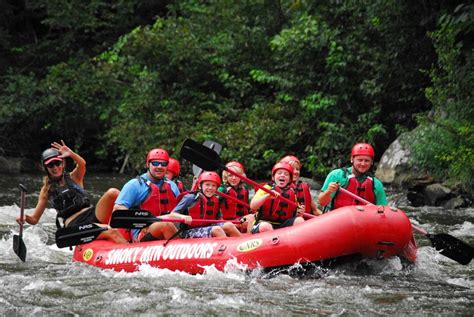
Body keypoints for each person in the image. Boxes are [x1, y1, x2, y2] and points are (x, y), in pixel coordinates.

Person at [16, 140, 127, 244]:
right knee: (113, 232)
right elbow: (35, 219)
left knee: (112, 192)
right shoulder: (46, 190)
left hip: (92, 214)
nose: (55, 167)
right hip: (75, 224)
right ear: (46, 168)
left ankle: (135, 218)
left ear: (63, 163)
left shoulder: (74, 177)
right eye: (51, 165)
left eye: (57, 163)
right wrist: (25, 217)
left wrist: (71, 153)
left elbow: (82, 164)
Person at [113, 148, 180, 242]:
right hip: (142, 232)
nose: (160, 166)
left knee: (170, 225)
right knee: (166, 225)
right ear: (148, 164)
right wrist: (149, 219)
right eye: (155, 163)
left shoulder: (172, 186)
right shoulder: (134, 185)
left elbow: (181, 210)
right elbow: (117, 211)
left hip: (170, 230)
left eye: (163, 164)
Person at [169, 171, 241, 238]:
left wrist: (232, 224)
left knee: (229, 225)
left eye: (213, 186)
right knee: (216, 229)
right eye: (207, 185)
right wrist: (183, 217)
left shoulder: (216, 199)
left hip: (208, 227)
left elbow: (219, 219)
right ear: (200, 186)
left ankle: (241, 246)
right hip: (188, 232)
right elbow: (172, 214)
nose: (210, 188)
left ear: (216, 188)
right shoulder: (191, 197)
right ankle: (226, 249)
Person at [318, 143, 388, 211]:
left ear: (371, 162)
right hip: (338, 220)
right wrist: (328, 192)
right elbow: (322, 202)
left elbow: (384, 210)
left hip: (363, 221)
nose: (363, 164)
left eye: (367, 161)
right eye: (360, 160)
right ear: (352, 159)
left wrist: (375, 209)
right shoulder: (337, 175)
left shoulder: (376, 184)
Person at [249, 162, 305, 233]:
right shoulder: (266, 188)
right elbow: (252, 206)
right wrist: (267, 196)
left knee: (299, 220)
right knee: (265, 226)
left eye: (286, 174)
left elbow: (294, 213)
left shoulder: (292, 192)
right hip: (263, 223)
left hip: (282, 225)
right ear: (273, 177)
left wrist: (300, 213)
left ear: (290, 179)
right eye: (279, 173)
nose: (282, 175)